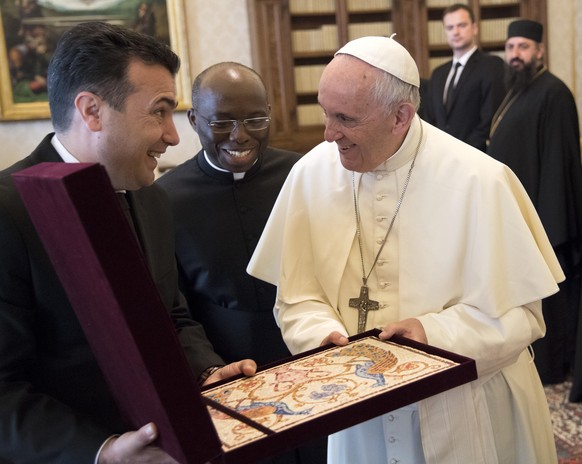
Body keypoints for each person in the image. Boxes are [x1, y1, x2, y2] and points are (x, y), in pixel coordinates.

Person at [247, 35, 562, 463]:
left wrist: (432, 336)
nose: (328, 133)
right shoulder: (310, 175)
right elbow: (297, 298)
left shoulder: (480, 180)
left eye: (345, 118)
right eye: (325, 112)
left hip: (468, 410)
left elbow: (524, 316)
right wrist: (325, 338)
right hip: (358, 411)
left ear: (400, 116)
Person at [0, 22, 255, 464]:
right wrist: (99, 453)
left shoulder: (152, 196)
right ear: (92, 110)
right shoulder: (8, 210)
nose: (174, 136)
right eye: (159, 111)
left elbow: (170, 314)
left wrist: (208, 372)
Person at [157, 61, 327, 464]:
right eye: (222, 123)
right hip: (226, 370)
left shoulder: (305, 174)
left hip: (311, 359)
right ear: (194, 119)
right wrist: (207, 369)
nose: (241, 136)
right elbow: (172, 305)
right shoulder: (163, 198)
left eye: (255, 118)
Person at [487, 19, 582, 401]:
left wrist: (547, 227)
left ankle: (553, 364)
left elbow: (559, 165)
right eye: (510, 48)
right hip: (519, 217)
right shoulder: (515, 91)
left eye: (523, 47)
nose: (515, 55)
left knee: (551, 295)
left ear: (540, 50)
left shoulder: (554, 93)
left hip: (545, 219)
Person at [426, 3, 505, 151]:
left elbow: (489, 120)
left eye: (461, 25)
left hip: (476, 155)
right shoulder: (438, 74)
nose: (455, 32)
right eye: (450, 28)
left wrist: (462, 153)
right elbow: (431, 120)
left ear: (474, 28)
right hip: (441, 157)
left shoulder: (492, 66)